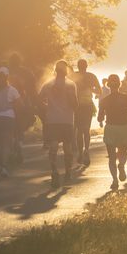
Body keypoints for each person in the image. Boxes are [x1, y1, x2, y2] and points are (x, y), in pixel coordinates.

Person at [38, 60, 78, 188]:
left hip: (53, 120)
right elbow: (75, 104)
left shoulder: (48, 84)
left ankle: (54, 171)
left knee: (53, 147)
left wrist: (47, 109)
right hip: (67, 120)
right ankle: (67, 173)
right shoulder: (71, 85)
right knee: (67, 148)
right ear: (66, 70)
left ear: (55, 70)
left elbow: (38, 100)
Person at [97, 74, 127, 190]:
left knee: (112, 156)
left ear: (108, 85)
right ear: (119, 84)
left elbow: (100, 118)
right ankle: (121, 165)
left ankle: (115, 181)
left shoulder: (104, 100)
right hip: (123, 127)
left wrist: (102, 116)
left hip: (110, 128)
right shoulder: (126, 98)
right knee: (123, 152)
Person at [0, 66, 21, 178]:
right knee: (6, 143)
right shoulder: (12, 90)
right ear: (7, 76)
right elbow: (19, 104)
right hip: (7, 118)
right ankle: (4, 167)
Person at [71, 59, 102, 166]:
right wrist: (91, 89)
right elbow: (100, 91)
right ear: (86, 66)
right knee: (86, 129)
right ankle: (86, 150)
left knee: (79, 130)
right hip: (88, 105)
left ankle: (80, 152)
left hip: (77, 106)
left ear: (78, 66)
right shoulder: (91, 76)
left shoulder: (73, 76)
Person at [8, 53, 37, 162]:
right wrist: (34, 103)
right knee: (20, 127)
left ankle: (12, 148)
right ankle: (18, 145)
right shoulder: (27, 72)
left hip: (8, 105)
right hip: (23, 103)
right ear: (20, 61)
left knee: (10, 128)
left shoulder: (5, 72)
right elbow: (33, 88)